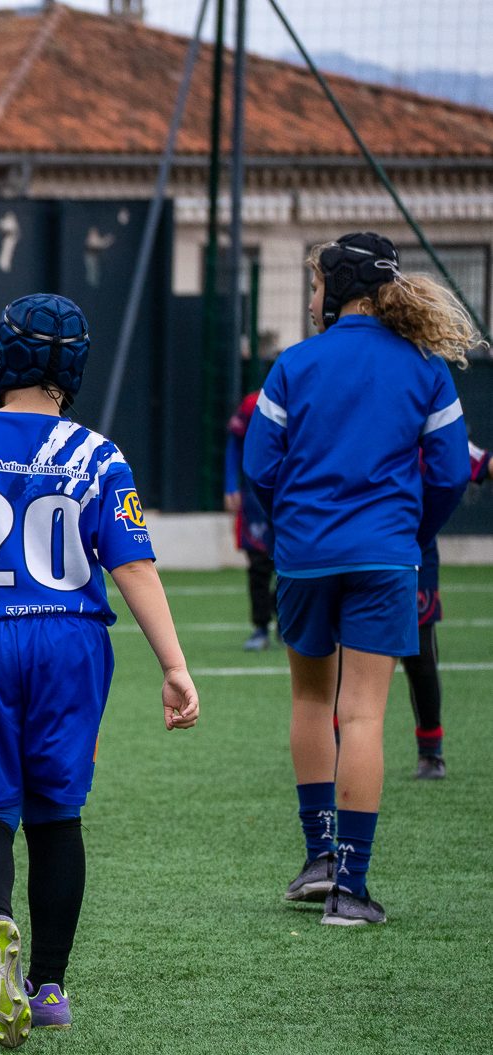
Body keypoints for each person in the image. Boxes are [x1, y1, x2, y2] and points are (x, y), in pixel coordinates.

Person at [0, 294, 199, 1049]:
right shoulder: (97, 452)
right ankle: (48, 986)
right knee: (57, 815)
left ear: (4, 358)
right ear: (74, 369)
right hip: (69, 644)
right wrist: (174, 665)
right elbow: (134, 567)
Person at [248, 233, 475, 924]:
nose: (311, 297)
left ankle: (316, 860)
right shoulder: (425, 367)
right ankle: (350, 890)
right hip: (384, 557)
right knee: (364, 715)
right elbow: (450, 472)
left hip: (304, 556)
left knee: (311, 704)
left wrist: (293, 528)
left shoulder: (293, 363)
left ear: (336, 291)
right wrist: (411, 533)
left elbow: (259, 468)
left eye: (315, 285)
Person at [404, 441, 490, 780]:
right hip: (355, 545)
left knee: (420, 654)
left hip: (414, 550)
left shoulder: (430, 418)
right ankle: (335, 744)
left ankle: (430, 750)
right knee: (341, 650)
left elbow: (476, 463)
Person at [224, 389, 276, 651]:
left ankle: (283, 614)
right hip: (256, 500)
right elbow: (235, 442)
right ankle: (261, 627)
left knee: (295, 565)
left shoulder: (311, 399)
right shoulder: (253, 404)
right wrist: (230, 485)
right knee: (258, 565)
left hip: (295, 498)